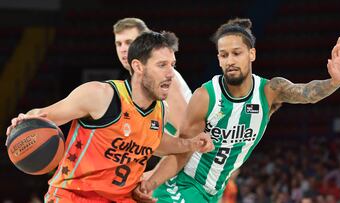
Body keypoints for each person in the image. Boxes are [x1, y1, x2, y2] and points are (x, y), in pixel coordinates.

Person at [132, 18, 340, 203]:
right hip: (184, 185)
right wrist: (150, 184)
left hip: (213, 193)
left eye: (236, 53)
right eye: (224, 55)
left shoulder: (269, 91)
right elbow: (182, 151)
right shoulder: (205, 96)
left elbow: (306, 93)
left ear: (251, 54)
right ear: (218, 59)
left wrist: (335, 82)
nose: (230, 60)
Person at [6, 31, 213, 203]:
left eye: (173, 65)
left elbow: (155, 144)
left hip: (122, 199)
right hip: (75, 195)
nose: (171, 73)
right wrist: (25, 121)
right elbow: (46, 115)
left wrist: (192, 144)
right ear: (138, 67)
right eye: (162, 65)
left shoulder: (161, 111)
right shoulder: (101, 95)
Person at [113, 18, 192, 171]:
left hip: (190, 170)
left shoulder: (164, 77)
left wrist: (155, 175)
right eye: (119, 43)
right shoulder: (141, 79)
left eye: (129, 42)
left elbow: (188, 135)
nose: (123, 49)